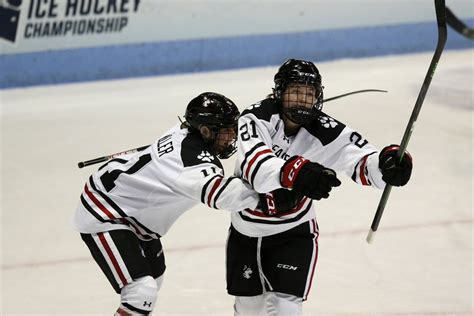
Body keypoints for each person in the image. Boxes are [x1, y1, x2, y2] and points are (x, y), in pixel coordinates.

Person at [72, 92, 299, 316]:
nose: (232, 137)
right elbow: (222, 195)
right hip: (106, 212)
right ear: (205, 131)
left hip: (134, 215)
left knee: (153, 280)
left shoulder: (187, 134)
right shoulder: (189, 162)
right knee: (140, 293)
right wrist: (267, 196)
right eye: (226, 130)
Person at [226, 59, 413, 315]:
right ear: (279, 93)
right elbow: (256, 168)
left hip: (294, 233)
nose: (302, 100)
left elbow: (362, 159)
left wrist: (387, 164)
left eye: (309, 93)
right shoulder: (256, 116)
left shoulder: (325, 129)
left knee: (286, 309)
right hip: (245, 232)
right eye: (295, 91)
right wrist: (296, 171)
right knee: (249, 309)